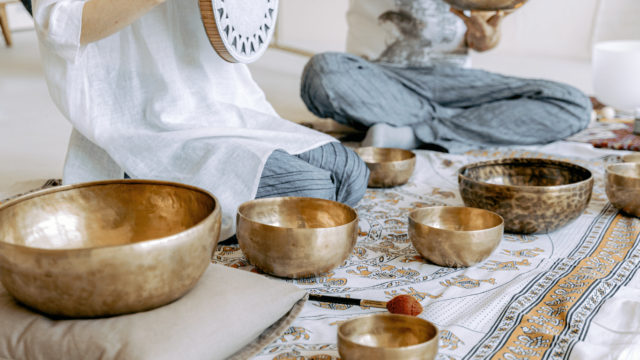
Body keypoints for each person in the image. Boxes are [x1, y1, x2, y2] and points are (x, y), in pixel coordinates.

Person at [32, 0, 369, 242]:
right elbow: (59, 24)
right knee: (313, 192)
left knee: (351, 174)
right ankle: (137, 177)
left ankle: (177, 187)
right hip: (142, 119)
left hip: (220, 102)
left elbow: (243, 22)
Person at [301, 0, 592, 154]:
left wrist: (485, 36)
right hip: (384, 80)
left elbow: (485, 38)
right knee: (322, 71)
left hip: (457, 82)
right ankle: (473, 120)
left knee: (573, 103)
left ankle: (414, 133)